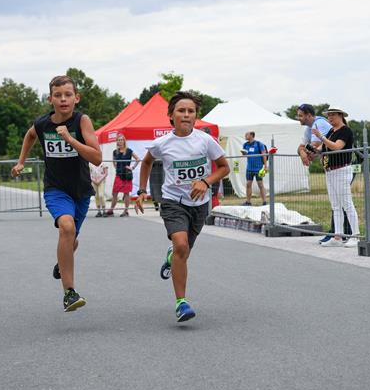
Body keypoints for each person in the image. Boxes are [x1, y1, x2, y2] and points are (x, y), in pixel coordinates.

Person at [135, 91, 229, 323]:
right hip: (172, 201)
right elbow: (146, 162)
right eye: (181, 110)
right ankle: (181, 303)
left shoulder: (205, 140)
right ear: (171, 115)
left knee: (182, 253)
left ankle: (172, 256)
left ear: (196, 116)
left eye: (191, 111)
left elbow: (223, 167)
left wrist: (205, 181)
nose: (186, 114)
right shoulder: (162, 143)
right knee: (181, 244)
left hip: (199, 204)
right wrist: (141, 190)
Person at [11, 75, 102, 312]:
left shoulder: (82, 121)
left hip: (81, 190)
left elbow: (96, 157)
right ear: (50, 99)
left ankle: (62, 263)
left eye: (68, 95)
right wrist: (21, 162)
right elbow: (30, 135)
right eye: (58, 95)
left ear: (76, 98)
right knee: (67, 228)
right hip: (56, 189)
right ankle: (69, 293)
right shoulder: (42, 124)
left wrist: (70, 139)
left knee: (72, 240)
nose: (63, 99)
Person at [296, 103, 351, 243]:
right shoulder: (309, 129)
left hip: (343, 164)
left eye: (300, 115)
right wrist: (303, 153)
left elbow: (314, 148)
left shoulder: (318, 124)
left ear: (309, 115)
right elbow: (302, 147)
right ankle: (339, 234)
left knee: (343, 201)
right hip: (333, 166)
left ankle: (343, 233)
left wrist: (306, 152)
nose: (298, 118)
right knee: (337, 202)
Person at [312, 108, 360, 248]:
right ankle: (337, 236)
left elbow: (337, 147)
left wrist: (321, 137)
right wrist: (311, 150)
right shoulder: (331, 131)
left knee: (347, 203)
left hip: (341, 169)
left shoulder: (345, 131)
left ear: (340, 116)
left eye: (333, 115)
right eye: (328, 116)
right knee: (335, 205)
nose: (330, 118)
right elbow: (322, 148)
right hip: (330, 170)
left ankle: (355, 235)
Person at [106, 134, 140, 217]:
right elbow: (114, 162)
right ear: (117, 142)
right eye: (119, 140)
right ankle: (111, 210)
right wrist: (116, 168)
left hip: (127, 175)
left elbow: (138, 159)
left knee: (126, 193)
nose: (120, 141)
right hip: (118, 175)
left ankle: (126, 210)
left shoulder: (129, 151)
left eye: (121, 140)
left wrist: (132, 167)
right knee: (114, 193)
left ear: (124, 141)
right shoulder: (115, 152)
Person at [240, 131, 268, 205]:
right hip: (249, 168)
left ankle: (264, 201)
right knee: (248, 184)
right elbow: (245, 155)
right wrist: (243, 153)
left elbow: (264, 155)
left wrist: (265, 166)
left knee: (260, 185)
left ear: (252, 135)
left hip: (258, 168)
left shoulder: (259, 144)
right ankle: (248, 202)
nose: (245, 135)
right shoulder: (245, 144)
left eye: (247, 134)